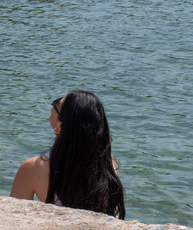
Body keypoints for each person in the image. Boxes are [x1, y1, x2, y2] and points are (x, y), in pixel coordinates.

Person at [10, 90, 125, 219]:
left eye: (57, 104)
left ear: (60, 126)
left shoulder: (33, 168)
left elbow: (14, 219)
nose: (54, 104)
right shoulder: (108, 164)